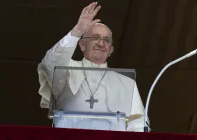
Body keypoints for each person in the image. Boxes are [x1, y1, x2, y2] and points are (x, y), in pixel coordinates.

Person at [37, 2, 147, 132]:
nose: (101, 43)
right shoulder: (66, 69)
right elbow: (50, 64)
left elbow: (137, 122)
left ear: (110, 50)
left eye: (106, 40)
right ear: (82, 45)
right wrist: (77, 32)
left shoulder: (126, 82)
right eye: (95, 38)